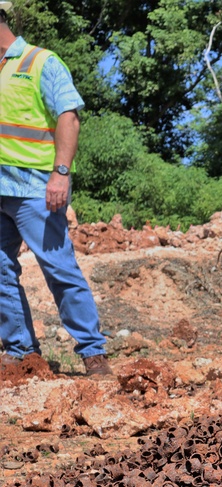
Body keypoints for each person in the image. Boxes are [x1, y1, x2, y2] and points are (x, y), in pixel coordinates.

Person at [0, 1, 112, 375]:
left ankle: (93, 354)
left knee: (59, 269)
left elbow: (69, 116)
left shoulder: (40, 62)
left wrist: (60, 173)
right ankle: (21, 353)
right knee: (0, 271)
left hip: (34, 188)